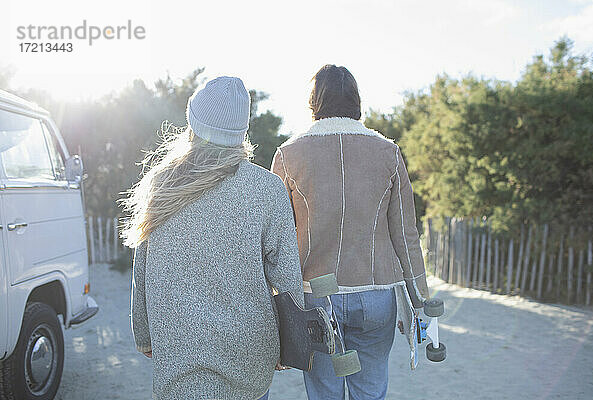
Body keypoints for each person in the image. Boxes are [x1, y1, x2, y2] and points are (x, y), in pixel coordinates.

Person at [122, 76, 304, 400]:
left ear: (192, 123)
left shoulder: (159, 185)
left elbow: (142, 269)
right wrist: (291, 343)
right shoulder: (268, 188)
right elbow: (287, 274)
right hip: (250, 354)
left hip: (179, 355)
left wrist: (144, 335)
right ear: (242, 132)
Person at [271, 65, 430, 400]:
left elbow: (278, 241)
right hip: (376, 298)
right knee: (370, 391)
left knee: (324, 393)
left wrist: (276, 305)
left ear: (313, 101)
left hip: (315, 298)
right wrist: (421, 301)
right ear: (357, 101)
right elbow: (406, 234)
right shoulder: (388, 152)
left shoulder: (289, 154)